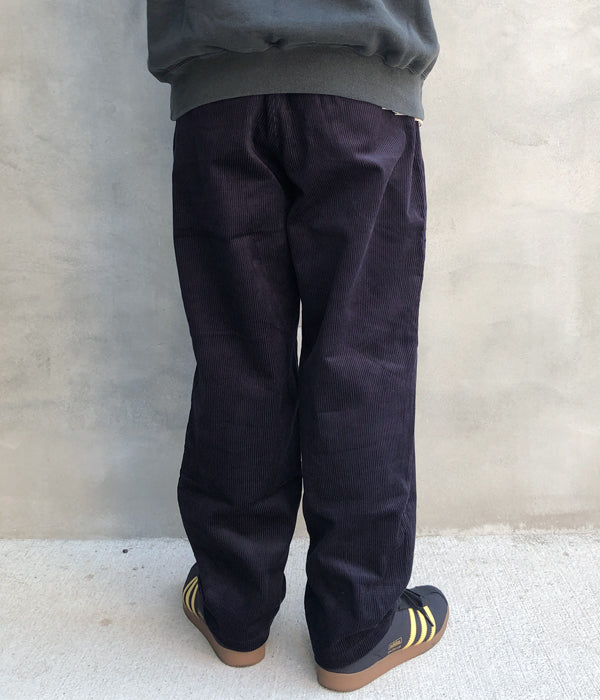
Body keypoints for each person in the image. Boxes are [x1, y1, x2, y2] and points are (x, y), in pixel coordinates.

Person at [146, 1, 448, 692]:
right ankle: (357, 629)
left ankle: (233, 612)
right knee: (362, 358)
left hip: (218, 92)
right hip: (359, 92)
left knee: (237, 359)